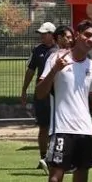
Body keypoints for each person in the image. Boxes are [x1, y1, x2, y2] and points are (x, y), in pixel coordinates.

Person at [31, 20, 92, 182]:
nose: (90, 40)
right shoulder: (57, 58)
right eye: (87, 35)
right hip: (61, 129)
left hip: (84, 131)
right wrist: (54, 70)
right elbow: (40, 93)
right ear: (78, 35)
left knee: (82, 181)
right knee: (55, 180)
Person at [21, 21, 58, 171]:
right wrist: (24, 90)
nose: (41, 36)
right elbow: (30, 71)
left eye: (44, 33)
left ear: (52, 35)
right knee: (43, 127)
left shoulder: (60, 50)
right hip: (41, 94)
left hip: (57, 94)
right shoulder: (37, 50)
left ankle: (55, 158)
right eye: (41, 33)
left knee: (57, 128)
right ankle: (43, 158)